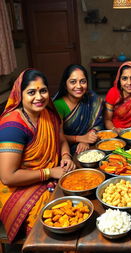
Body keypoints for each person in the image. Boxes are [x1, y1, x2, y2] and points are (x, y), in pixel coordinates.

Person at [0, 69, 76, 242]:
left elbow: (62, 140)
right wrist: (49, 172)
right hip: (18, 188)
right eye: (31, 92)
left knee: (79, 208)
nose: (39, 97)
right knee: (54, 225)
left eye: (43, 91)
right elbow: (7, 177)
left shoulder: (48, 114)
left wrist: (65, 157)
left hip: (51, 176)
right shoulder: (12, 125)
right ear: (20, 95)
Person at [54, 64, 104, 154]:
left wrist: (90, 135)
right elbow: (57, 136)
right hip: (65, 150)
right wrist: (81, 138)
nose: (79, 86)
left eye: (83, 81)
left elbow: (98, 123)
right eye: (73, 82)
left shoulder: (91, 98)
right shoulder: (58, 105)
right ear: (65, 85)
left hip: (89, 144)